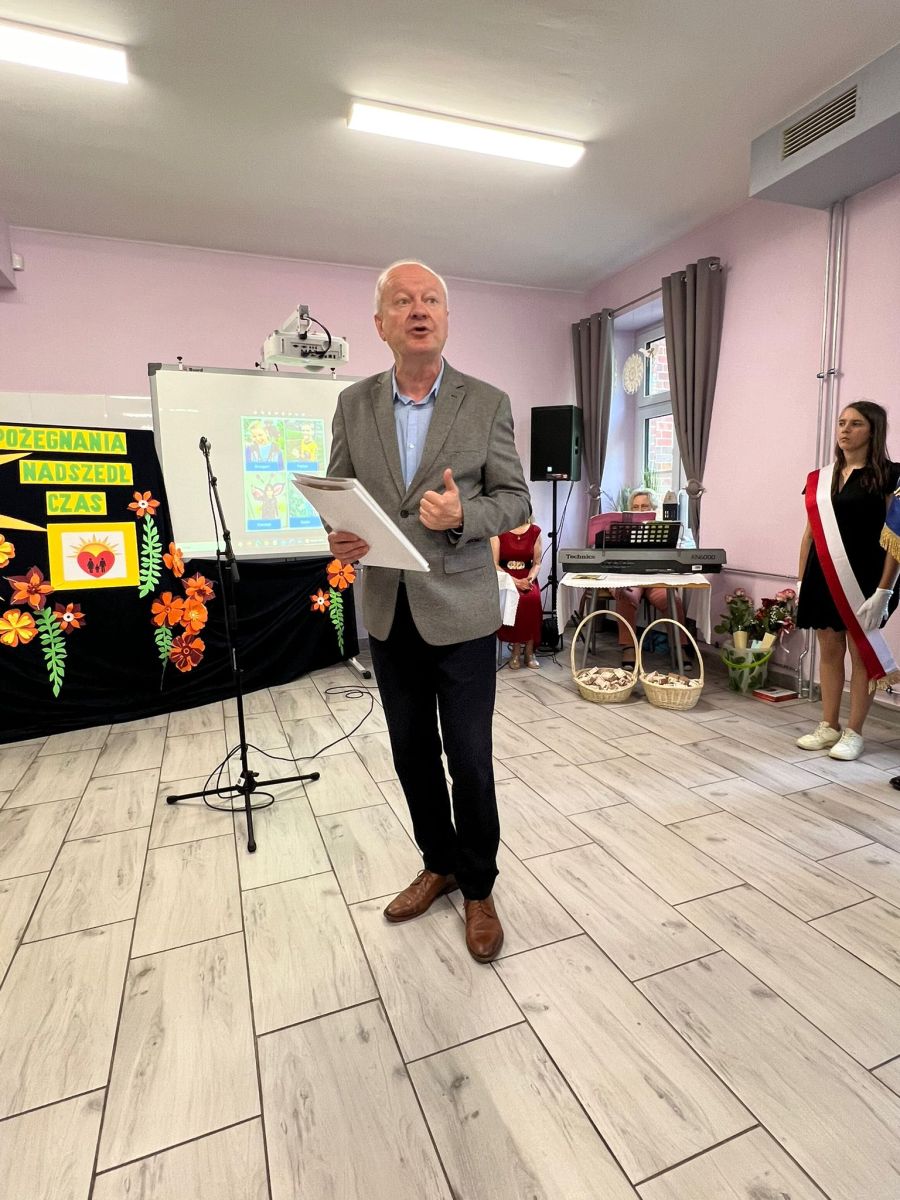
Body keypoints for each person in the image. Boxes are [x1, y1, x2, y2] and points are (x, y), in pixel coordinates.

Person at [326, 260, 530, 962]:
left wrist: (464, 515)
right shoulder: (353, 404)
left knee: (469, 759)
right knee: (412, 753)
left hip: (463, 612)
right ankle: (437, 863)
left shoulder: (487, 402)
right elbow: (338, 492)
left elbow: (516, 501)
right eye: (403, 301)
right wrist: (338, 534)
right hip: (389, 610)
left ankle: (479, 886)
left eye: (432, 300)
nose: (419, 310)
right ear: (380, 323)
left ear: (446, 318)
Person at [795, 401, 900, 761]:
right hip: (822, 575)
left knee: (861, 653)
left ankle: (855, 731)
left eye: (855, 423)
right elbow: (809, 534)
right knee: (829, 649)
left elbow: (896, 536)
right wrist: (800, 581)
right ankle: (829, 724)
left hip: (867, 578)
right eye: (841, 423)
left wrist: (885, 590)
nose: (845, 429)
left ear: (873, 430)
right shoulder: (820, 479)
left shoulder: (891, 476)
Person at [613, 488, 689, 670]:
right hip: (631, 578)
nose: (639, 510)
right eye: (635, 507)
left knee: (672, 600)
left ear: (653, 509)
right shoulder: (622, 529)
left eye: (644, 506)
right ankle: (629, 647)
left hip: (655, 579)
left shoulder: (663, 528)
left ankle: (679, 648)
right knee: (625, 596)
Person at [492, 520, 543, 668]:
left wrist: (529, 579)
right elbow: (494, 564)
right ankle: (515, 650)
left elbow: (537, 563)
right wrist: (515, 581)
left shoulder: (535, 531)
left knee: (532, 599)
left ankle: (529, 651)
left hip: (527, 577)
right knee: (517, 599)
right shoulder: (498, 530)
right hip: (506, 577)